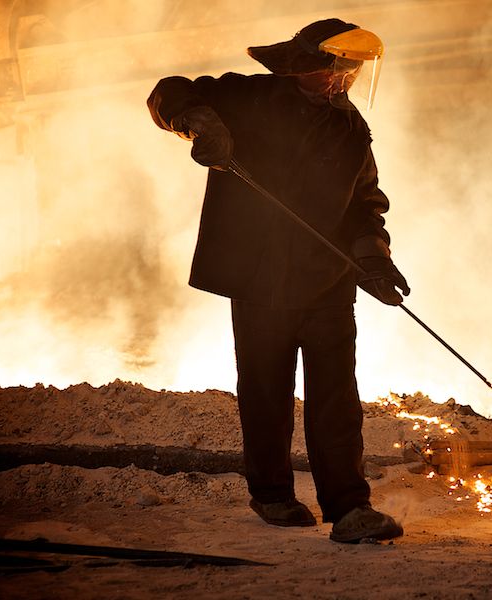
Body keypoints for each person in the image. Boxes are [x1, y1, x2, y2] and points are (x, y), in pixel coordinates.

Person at [146, 18, 409, 543]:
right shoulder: (248, 97)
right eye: (332, 70)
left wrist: (373, 258)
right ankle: (272, 495)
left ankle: (350, 508)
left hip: (327, 283)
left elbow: (365, 206)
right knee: (266, 392)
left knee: (337, 398)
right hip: (261, 278)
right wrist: (198, 123)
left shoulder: (351, 129)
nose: (340, 81)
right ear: (300, 65)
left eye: (350, 72)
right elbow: (166, 94)